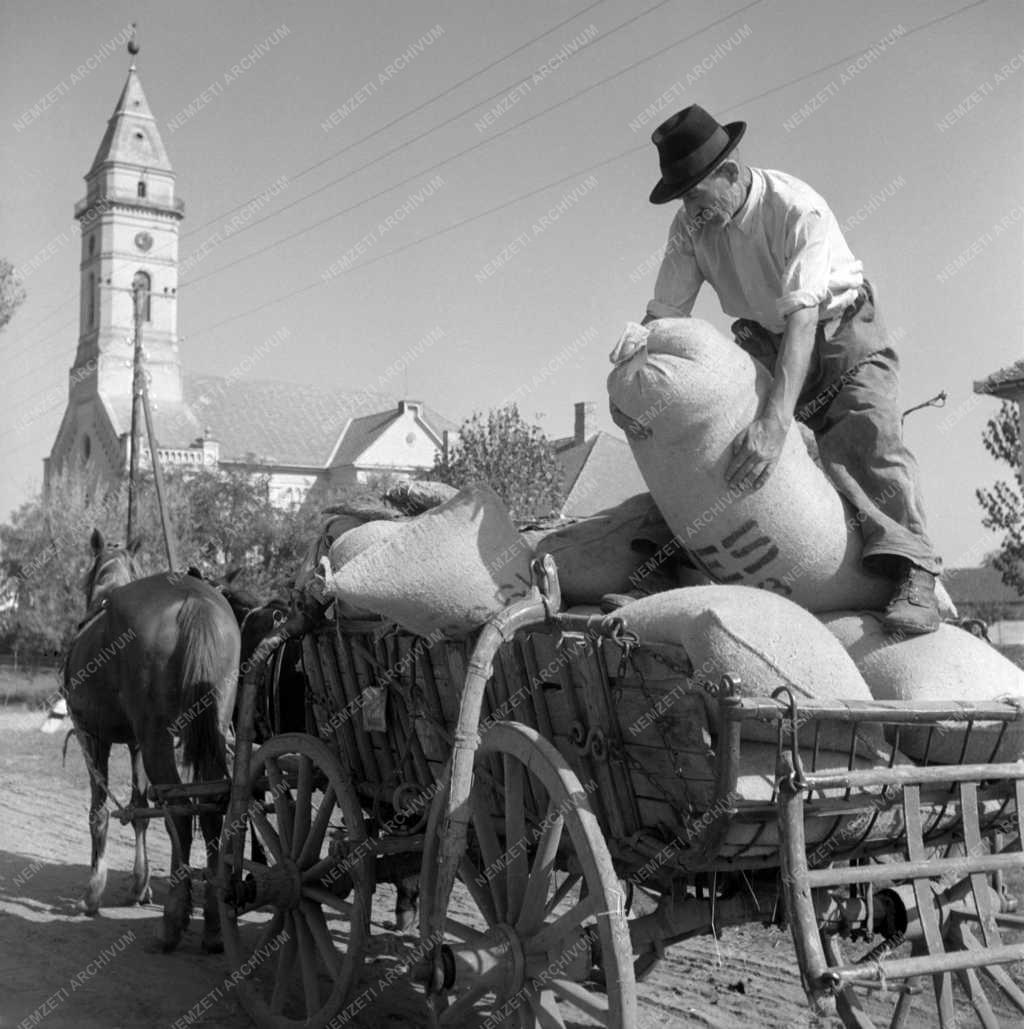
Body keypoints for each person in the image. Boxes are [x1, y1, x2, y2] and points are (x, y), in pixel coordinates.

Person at [628, 103, 941, 634]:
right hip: (770, 340)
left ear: (729, 173)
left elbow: (804, 320)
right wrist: (634, 370)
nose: (691, 211)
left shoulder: (798, 209)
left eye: (697, 197)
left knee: (868, 440)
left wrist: (776, 423)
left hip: (842, 334)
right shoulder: (691, 227)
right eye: (683, 200)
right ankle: (669, 564)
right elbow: (663, 316)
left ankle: (915, 574)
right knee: (719, 442)